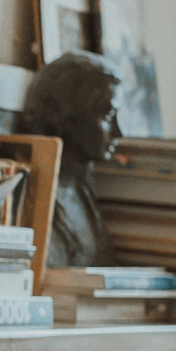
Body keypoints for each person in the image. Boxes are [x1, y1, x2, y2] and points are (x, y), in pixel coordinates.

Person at [16, 50, 125, 268]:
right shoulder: (25, 196)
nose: (119, 132)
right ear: (66, 114)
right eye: (108, 116)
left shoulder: (82, 190)